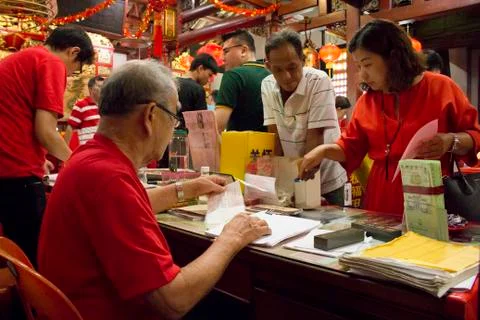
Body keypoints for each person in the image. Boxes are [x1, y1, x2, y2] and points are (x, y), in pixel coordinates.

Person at [38, 59, 270, 320]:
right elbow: (173, 301)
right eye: (173, 118)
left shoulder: (90, 159)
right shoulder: (109, 179)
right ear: (150, 115)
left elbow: (132, 204)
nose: (173, 129)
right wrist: (231, 238)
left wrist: (187, 188)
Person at [299, 19, 480, 216]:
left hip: (428, 191)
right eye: (358, 67)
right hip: (379, 196)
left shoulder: (441, 87)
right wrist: (323, 150)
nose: (362, 75)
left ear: (394, 57)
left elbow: (475, 136)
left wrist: (450, 141)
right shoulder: (368, 101)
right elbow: (350, 147)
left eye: (367, 64)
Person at [0, 26, 94, 264]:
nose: (71, 75)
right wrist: (78, 163)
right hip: (16, 174)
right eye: (76, 71)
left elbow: (15, 117)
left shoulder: (22, 58)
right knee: (34, 259)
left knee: (15, 255)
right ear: (74, 52)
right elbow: (45, 131)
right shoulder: (51, 63)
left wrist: (38, 156)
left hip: (7, 167)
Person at [261, 29, 347, 206]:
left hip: (326, 176)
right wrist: (279, 180)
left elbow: (315, 137)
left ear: (302, 60)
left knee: (333, 228)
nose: (286, 76)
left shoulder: (319, 81)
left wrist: (297, 184)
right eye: (278, 70)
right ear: (268, 66)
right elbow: (274, 136)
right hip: (294, 175)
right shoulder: (267, 85)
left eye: (292, 67)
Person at [215, 30, 270, 133]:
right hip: (269, 146)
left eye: (226, 51)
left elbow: (217, 127)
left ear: (243, 50)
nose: (222, 58)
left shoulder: (233, 75)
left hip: (240, 146)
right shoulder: (271, 75)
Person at [177, 53, 218, 129]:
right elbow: (202, 124)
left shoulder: (173, 83)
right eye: (209, 75)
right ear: (200, 68)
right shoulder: (198, 89)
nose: (209, 80)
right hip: (188, 137)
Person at [65, 75, 105, 146]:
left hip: (103, 150)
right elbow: (70, 128)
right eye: (99, 86)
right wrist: (66, 149)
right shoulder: (81, 105)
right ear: (90, 89)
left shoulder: (107, 106)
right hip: (88, 149)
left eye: (104, 87)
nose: (102, 89)